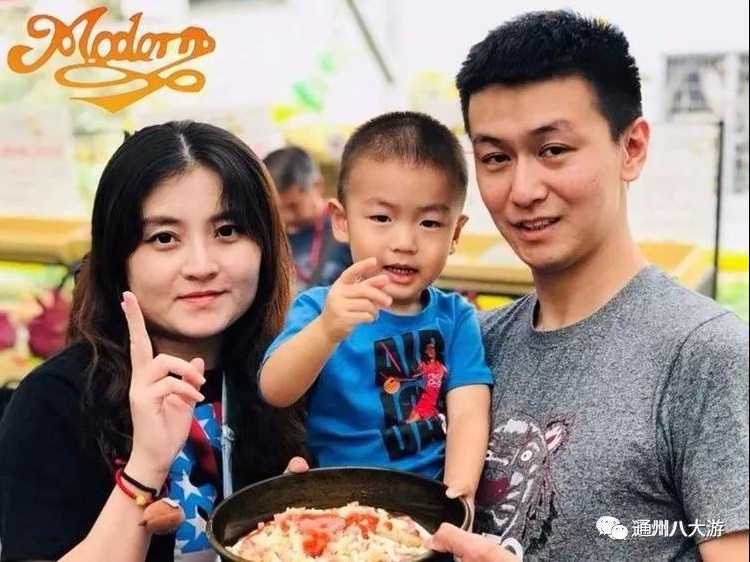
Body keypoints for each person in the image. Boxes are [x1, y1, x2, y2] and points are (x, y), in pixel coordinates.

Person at [429, 9, 749, 562]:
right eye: (495, 158)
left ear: (632, 148)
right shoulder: (475, 342)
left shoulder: (706, 357)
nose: (523, 189)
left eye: (553, 150)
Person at [0, 121, 307, 562]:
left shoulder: (296, 377)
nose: (201, 265)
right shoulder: (55, 400)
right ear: (117, 258)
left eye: (227, 231)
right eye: (164, 238)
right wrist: (145, 467)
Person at [259, 111, 493, 505]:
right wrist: (327, 330)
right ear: (342, 221)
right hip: (337, 504)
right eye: (382, 217)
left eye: (430, 223)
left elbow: (468, 412)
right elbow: (275, 389)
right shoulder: (320, 308)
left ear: (455, 232)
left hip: (426, 502)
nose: (405, 242)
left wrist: (460, 495)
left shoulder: (455, 317)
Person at [263, 145, 352, 293]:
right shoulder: (270, 238)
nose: (284, 216)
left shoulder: (349, 227)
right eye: (276, 209)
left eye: (293, 206)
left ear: (317, 185)